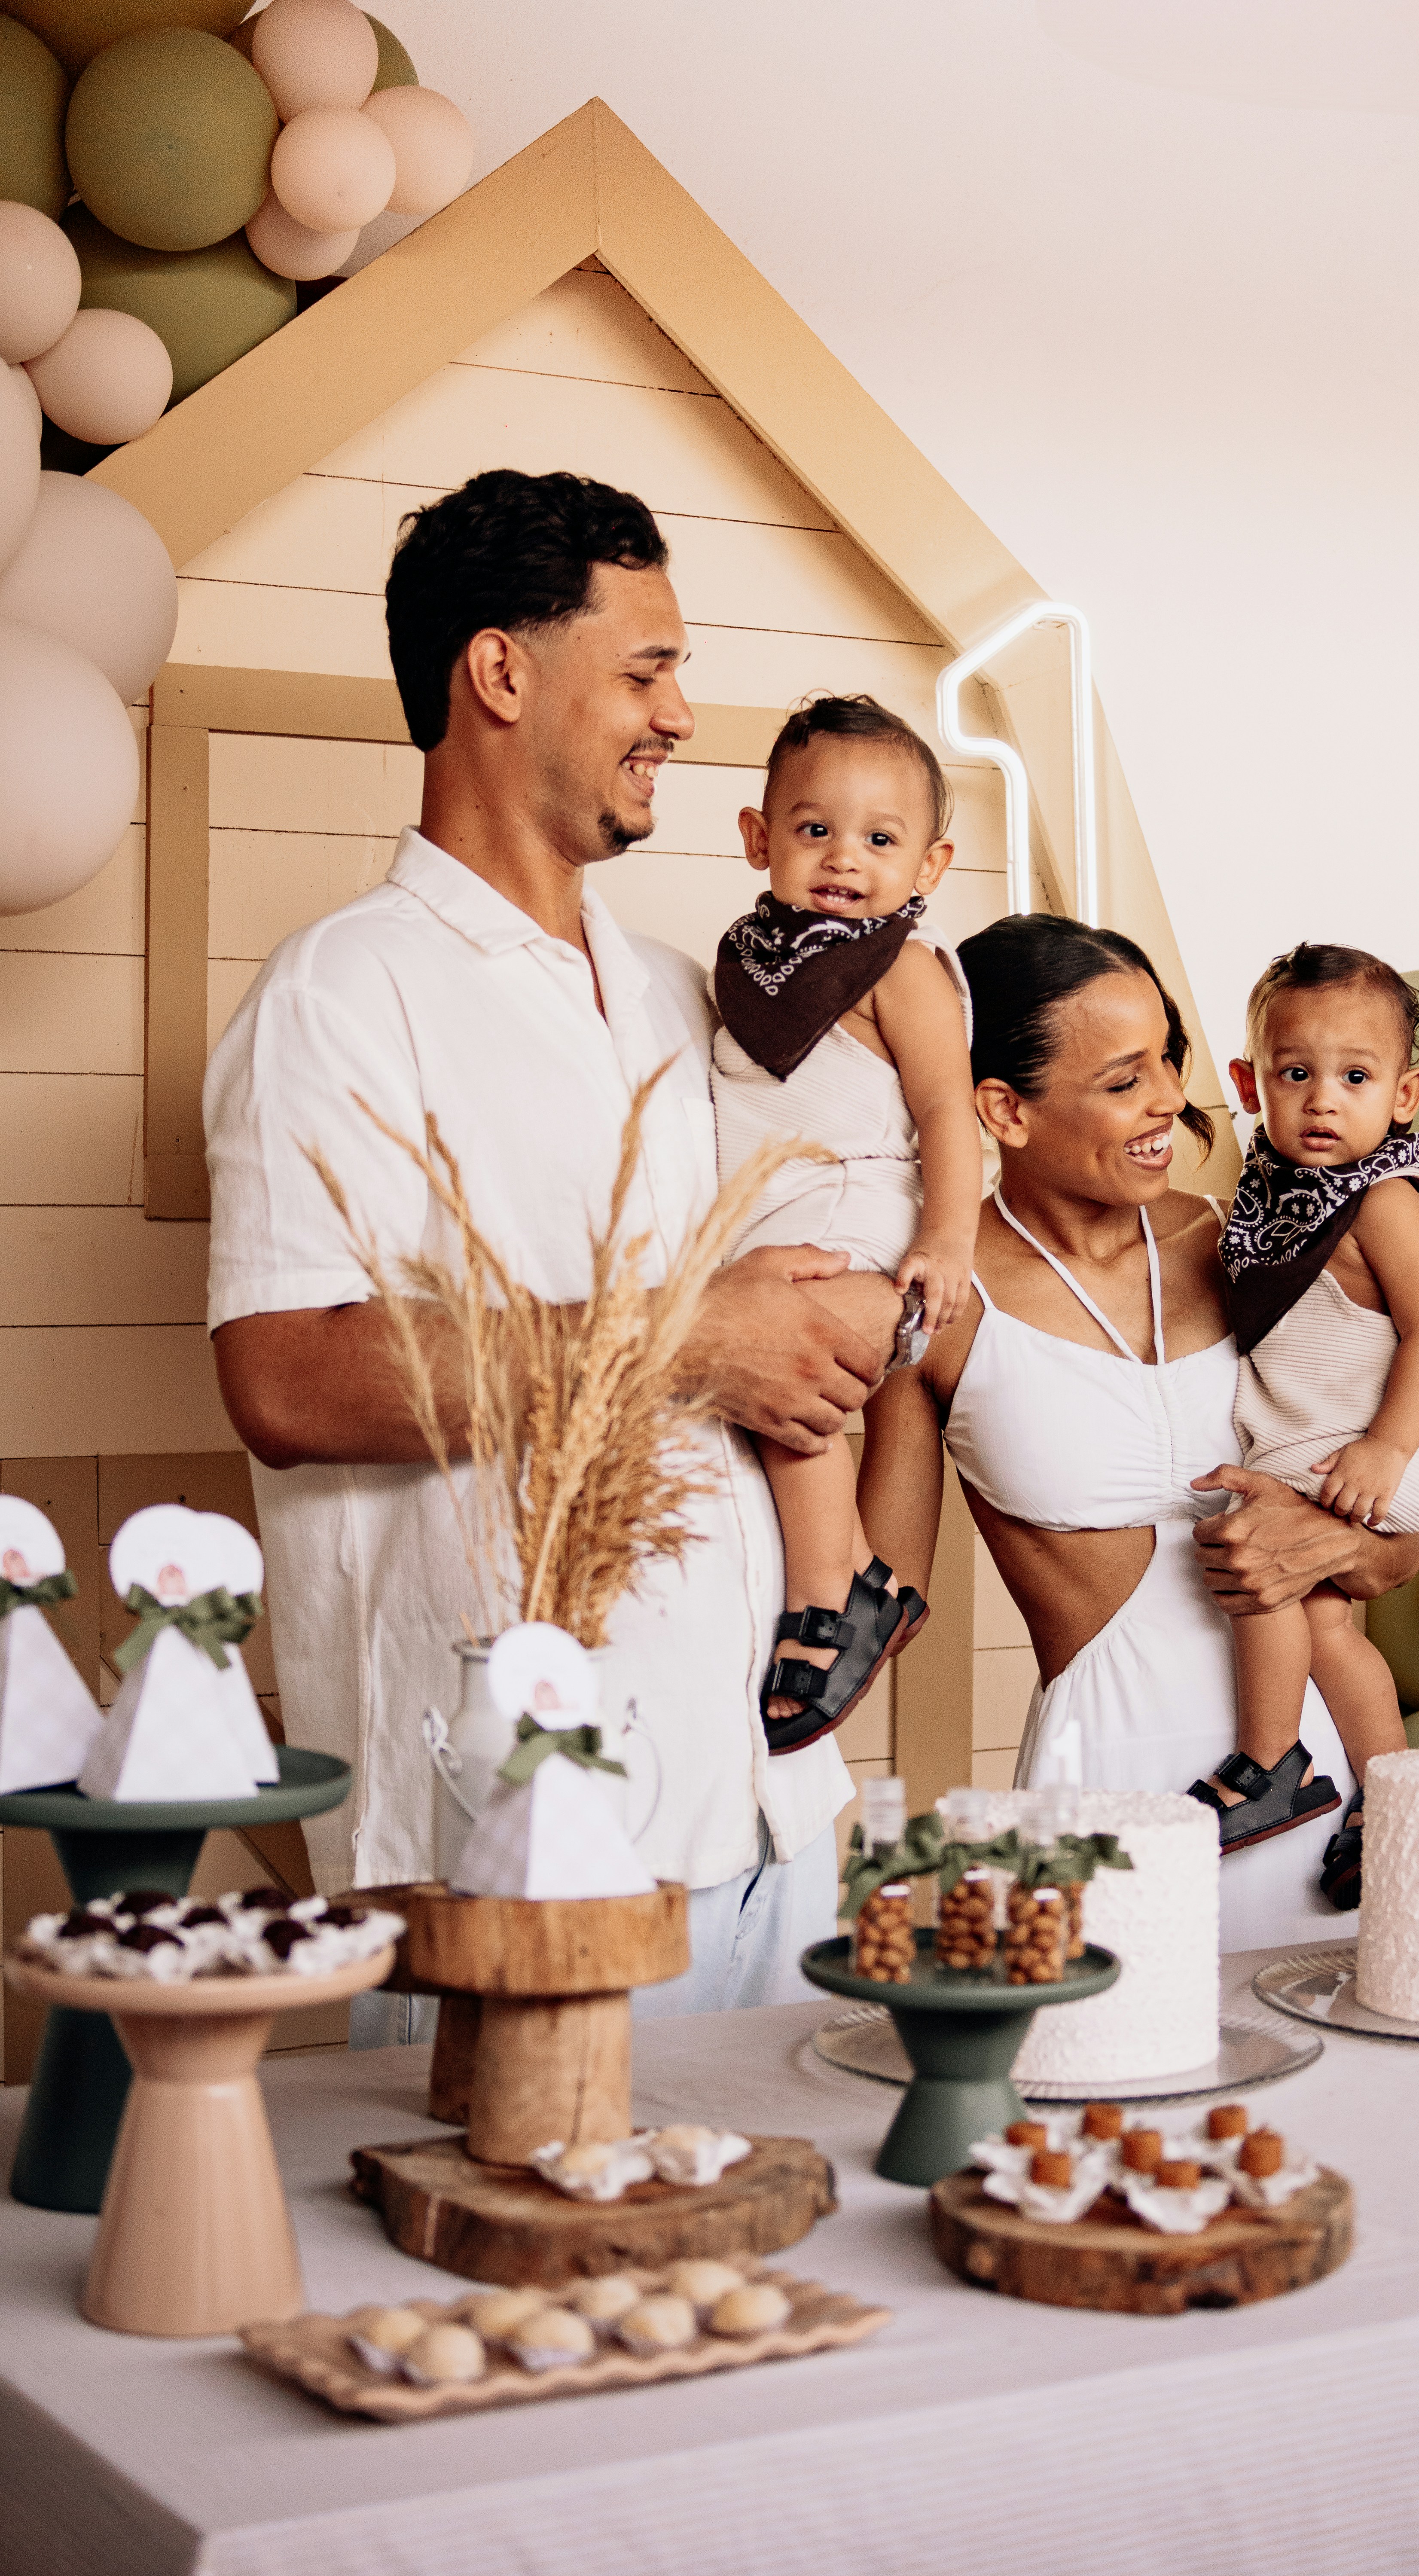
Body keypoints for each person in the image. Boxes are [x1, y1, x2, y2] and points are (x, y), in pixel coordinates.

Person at [204, 469, 903, 2036]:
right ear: (500, 671)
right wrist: (682, 1335)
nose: (682, 714)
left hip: (776, 1814)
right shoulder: (339, 997)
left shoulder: (682, 993)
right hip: (512, 1854)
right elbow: (286, 1379)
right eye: (646, 669)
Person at [857, 913, 1419, 1951]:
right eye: (1123, 1081)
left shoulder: (1248, 1245)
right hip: (1106, 1787)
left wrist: (1340, 1543)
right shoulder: (940, 1302)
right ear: (1004, 1109)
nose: (1170, 1096)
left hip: (1313, 1780)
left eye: (1168, 1056)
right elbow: (876, 1597)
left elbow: (1399, 1539)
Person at [708, 695, 982, 1750]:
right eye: (813, 829)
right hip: (773, 1208)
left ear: (929, 866)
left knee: (797, 1378)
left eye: (880, 839)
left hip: (860, 1203)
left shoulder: (899, 968)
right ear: (756, 837)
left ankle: (838, 1585)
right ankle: (846, 1575)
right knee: (760, 1380)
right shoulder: (747, 964)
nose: (842, 859)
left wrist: (947, 1238)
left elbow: (944, 1114)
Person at [1198, 943, 1419, 1894]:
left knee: (1261, 1561)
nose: (1322, 1100)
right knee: (1328, 1632)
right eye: (1294, 1073)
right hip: (1328, 1432)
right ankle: (1386, 1796)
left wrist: (1386, 1447)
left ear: (1404, 1093)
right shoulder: (1270, 1197)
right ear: (1249, 1081)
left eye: (1354, 1077)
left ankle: (1271, 1761)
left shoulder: (1378, 1199)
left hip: (1368, 1441)